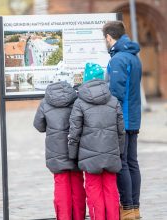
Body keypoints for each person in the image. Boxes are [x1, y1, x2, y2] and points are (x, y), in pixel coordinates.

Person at [68, 64, 125, 220]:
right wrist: (119, 151)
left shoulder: (80, 102)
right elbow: (121, 130)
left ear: (86, 79)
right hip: (111, 154)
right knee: (111, 190)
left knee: (93, 192)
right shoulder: (113, 101)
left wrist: (73, 154)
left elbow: (74, 132)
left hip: (89, 157)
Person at [102, 21, 142, 220]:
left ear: (109, 37)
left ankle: (126, 207)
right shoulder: (134, 57)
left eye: (105, 39)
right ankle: (134, 208)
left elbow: (115, 92)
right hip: (134, 117)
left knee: (122, 163)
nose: (105, 43)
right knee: (132, 162)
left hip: (122, 118)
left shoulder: (118, 59)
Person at [33, 81, 86, 220]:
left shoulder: (45, 102)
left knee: (61, 185)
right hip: (75, 149)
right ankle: (79, 216)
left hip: (55, 152)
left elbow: (38, 126)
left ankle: (64, 217)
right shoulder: (76, 100)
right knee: (77, 184)